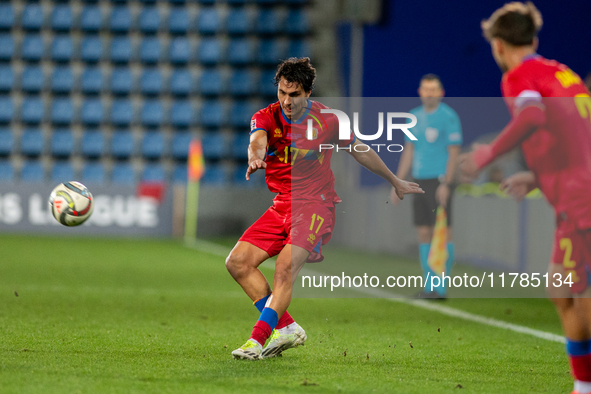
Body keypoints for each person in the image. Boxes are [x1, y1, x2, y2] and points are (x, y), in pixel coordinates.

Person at [225, 57, 424, 360]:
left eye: (294, 94)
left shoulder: (330, 120)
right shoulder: (266, 116)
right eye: (282, 93)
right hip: (282, 205)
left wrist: (394, 180)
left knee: (284, 269)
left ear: (307, 93)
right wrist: (256, 156)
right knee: (237, 262)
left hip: (316, 205)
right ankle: (287, 327)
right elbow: (257, 140)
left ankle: (257, 340)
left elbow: (361, 150)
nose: (286, 101)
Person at [459, 3, 591, 393]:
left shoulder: (521, 76)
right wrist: (536, 175)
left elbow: (531, 117)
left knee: (573, 288)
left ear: (499, 46)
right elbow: (575, 138)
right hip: (576, 189)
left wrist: (488, 153)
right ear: (532, 39)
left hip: (579, 199)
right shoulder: (562, 74)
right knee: (561, 286)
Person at [390, 74, 463, 299]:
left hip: (439, 181)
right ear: (420, 91)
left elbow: (454, 153)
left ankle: (440, 288)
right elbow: (409, 151)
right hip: (418, 181)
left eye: (433, 89)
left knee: (442, 233)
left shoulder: (449, 117)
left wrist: (447, 183)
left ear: (441, 92)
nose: (429, 93)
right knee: (423, 232)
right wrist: (397, 182)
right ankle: (428, 285)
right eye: (425, 89)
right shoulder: (413, 117)